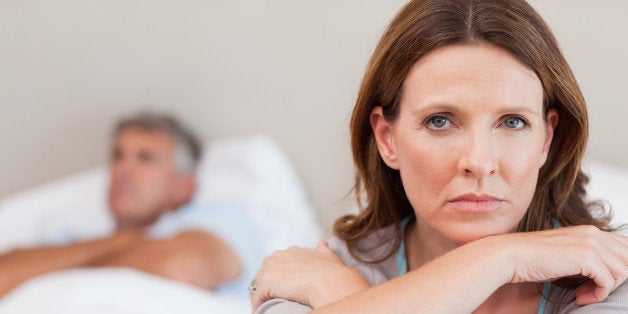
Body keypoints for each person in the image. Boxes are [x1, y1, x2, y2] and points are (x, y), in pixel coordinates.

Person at [250, 0, 628, 312]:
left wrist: (347, 299)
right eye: (440, 121)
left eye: (512, 122)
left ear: (546, 139)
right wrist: (502, 258)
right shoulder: (309, 274)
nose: (479, 162)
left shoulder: (608, 269)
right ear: (387, 139)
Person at [0, 112, 241, 297]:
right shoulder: (77, 238)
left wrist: (44, 279)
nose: (123, 170)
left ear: (184, 187)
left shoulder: (216, 222)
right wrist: (123, 240)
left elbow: (180, 268)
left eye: (145, 158)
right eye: (118, 156)